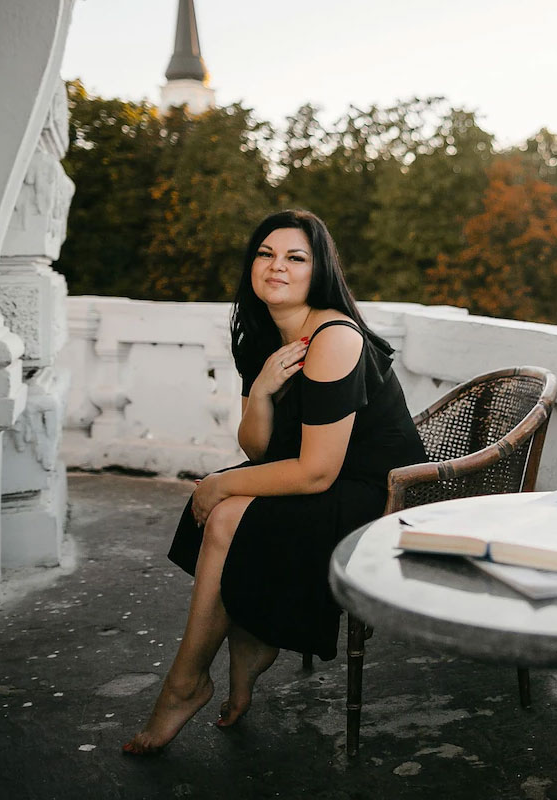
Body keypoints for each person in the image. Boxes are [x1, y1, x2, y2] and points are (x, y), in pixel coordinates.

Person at [123, 210, 426, 755]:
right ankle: (247, 643)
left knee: (227, 510)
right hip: (322, 476)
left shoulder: (334, 337)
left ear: (318, 271)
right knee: (226, 508)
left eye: (295, 257)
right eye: (266, 254)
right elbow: (259, 450)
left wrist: (219, 486)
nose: (277, 266)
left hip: (379, 495)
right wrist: (262, 389)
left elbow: (317, 471)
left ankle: (188, 681)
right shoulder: (261, 330)